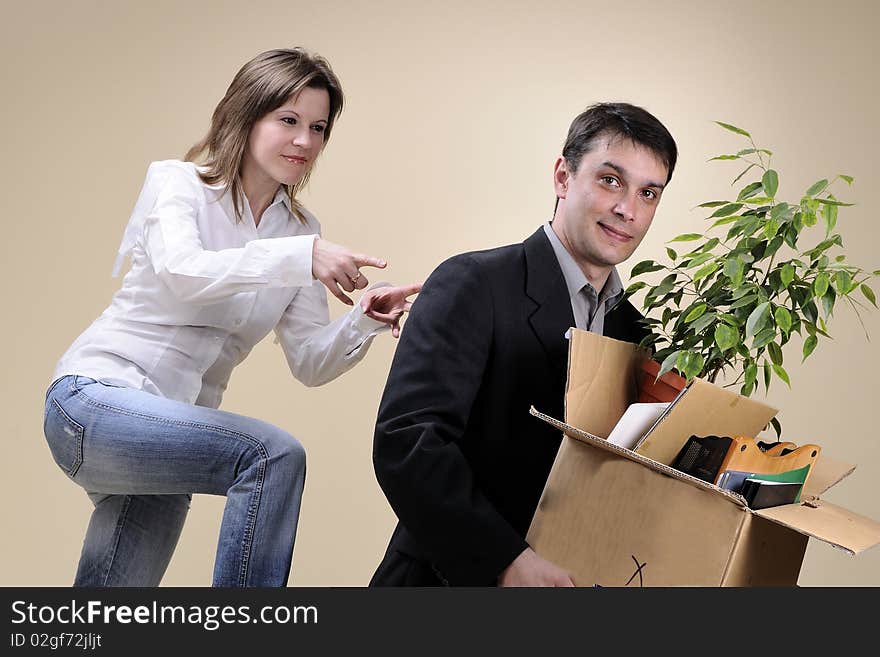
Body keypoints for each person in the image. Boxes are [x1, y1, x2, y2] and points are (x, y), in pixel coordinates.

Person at [42, 47, 420, 587]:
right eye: (288, 120)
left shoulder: (299, 230)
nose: (304, 141)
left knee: (107, 610)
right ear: (246, 116)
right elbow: (182, 270)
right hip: (93, 402)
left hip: (171, 431)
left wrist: (364, 316)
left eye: (317, 127)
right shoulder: (179, 183)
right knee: (271, 456)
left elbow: (310, 360)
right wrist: (301, 258)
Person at [369, 102, 677, 586]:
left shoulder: (638, 335)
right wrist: (505, 560)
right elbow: (408, 441)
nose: (627, 209)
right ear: (562, 176)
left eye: (649, 193)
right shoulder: (473, 282)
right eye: (610, 180)